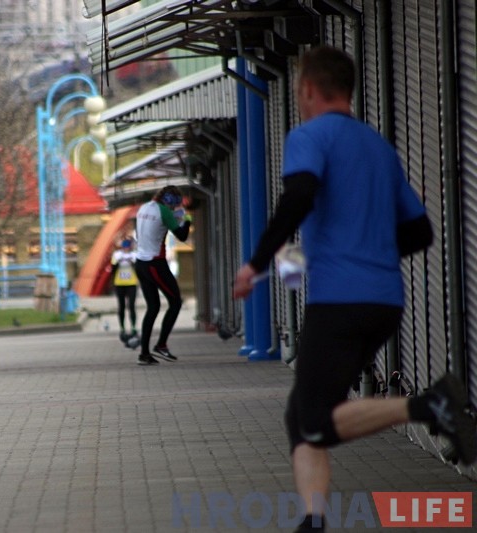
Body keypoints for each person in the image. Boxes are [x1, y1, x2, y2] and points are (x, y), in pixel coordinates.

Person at [233, 46, 475, 532]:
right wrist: (370, 250)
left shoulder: (309, 136)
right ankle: (314, 518)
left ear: (306, 90)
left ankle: (430, 405)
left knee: (316, 420)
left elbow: (298, 195)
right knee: (301, 416)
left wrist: (255, 264)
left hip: (338, 302)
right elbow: (420, 233)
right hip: (383, 302)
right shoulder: (377, 147)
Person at [134, 185, 192, 365]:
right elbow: (182, 236)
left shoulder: (144, 208)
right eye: (175, 204)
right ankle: (161, 344)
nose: (175, 208)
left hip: (141, 262)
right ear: (170, 201)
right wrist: (187, 219)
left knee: (153, 307)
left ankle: (144, 353)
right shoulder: (164, 212)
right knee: (175, 302)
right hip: (155, 263)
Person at [109, 238, 138, 346]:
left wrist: (132, 262)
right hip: (119, 284)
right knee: (121, 306)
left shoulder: (134, 255)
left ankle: (134, 327)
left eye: (128, 246)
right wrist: (118, 262)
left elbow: (138, 268)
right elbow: (112, 269)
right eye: (124, 246)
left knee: (131, 306)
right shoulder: (117, 255)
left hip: (131, 283)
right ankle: (122, 327)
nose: (126, 248)